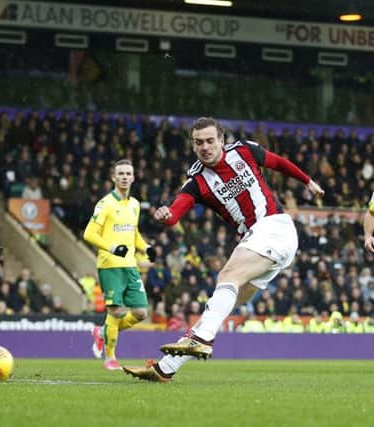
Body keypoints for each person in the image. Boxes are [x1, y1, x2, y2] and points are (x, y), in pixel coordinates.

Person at [123, 117, 323, 382]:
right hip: (259, 241)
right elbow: (175, 214)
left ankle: (201, 339)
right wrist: (165, 215)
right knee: (215, 311)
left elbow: (278, 163)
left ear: (221, 140)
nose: (205, 147)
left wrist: (307, 180)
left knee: (226, 277)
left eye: (209, 141)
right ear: (193, 146)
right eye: (198, 143)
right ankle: (165, 368)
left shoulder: (244, 151)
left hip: (275, 227)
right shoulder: (196, 182)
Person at [83, 159, 156, 370]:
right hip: (110, 266)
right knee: (115, 311)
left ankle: (102, 332)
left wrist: (146, 247)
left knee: (141, 313)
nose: (124, 176)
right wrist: (112, 248)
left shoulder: (134, 205)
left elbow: (133, 233)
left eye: (128, 173)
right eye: (120, 173)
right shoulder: (105, 204)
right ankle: (110, 358)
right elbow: (89, 234)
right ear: (113, 177)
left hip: (131, 266)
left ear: (133, 177)